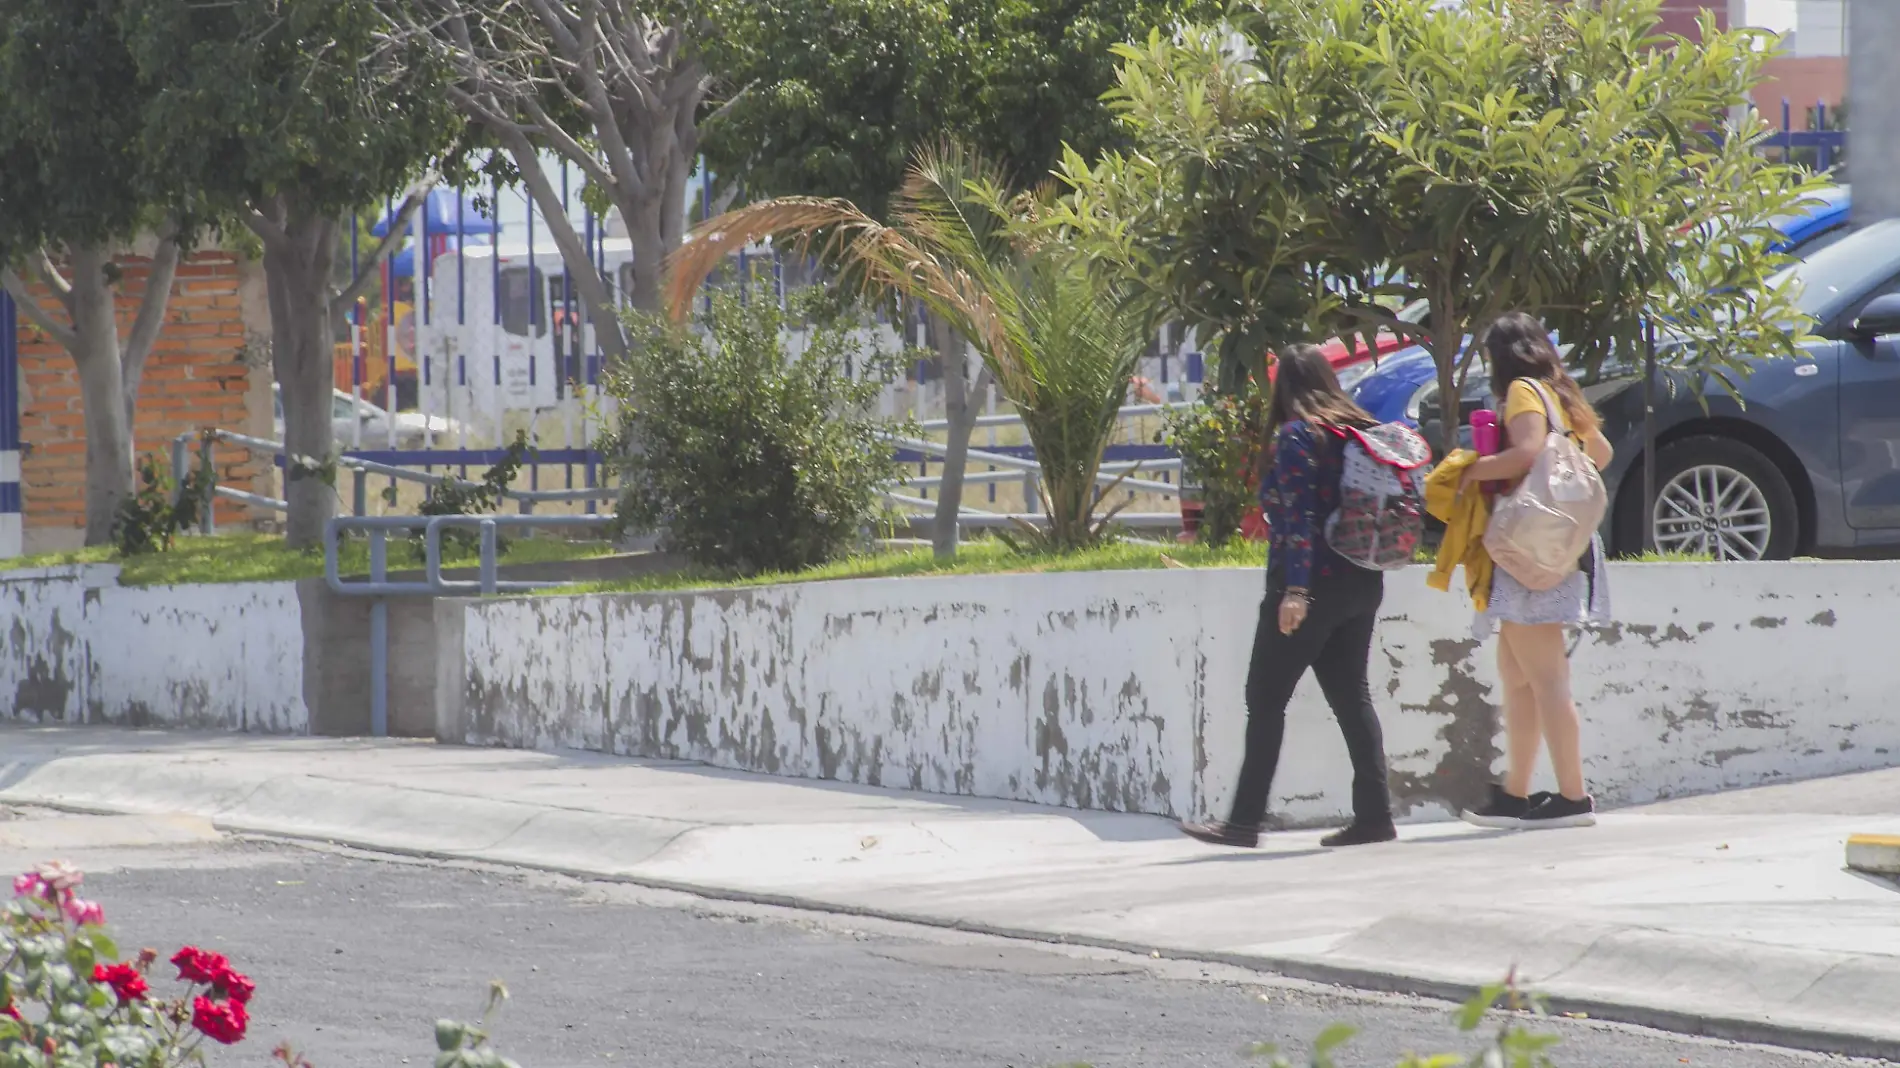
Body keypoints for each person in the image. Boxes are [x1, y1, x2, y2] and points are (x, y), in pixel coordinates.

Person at [1180, 343, 1397, 849]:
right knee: (1352, 699)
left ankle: (1242, 824)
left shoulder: (1298, 437)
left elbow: (1297, 517)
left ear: (1284, 389)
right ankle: (1375, 815)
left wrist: (1295, 591)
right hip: (1364, 580)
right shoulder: (1360, 432)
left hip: (1309, 585)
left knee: (1266, 700)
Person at [1456, 312, 1614, 830]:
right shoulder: (1560, 393)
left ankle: (1573, 798)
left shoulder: (1523, 392)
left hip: (1529, 549)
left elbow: (1525, 453)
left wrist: (1471, 469)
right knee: (1518, 679)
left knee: (1546, 680)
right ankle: (1514, 794)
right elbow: (1602, 453)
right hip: (1562, 547)